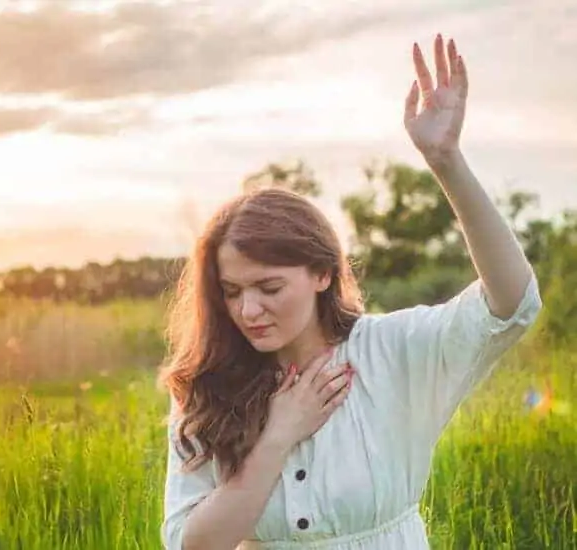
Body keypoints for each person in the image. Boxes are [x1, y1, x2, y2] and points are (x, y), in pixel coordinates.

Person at [156, 34, 544, 550]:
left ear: (322, 274)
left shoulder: (393, 350)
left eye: (269, 287)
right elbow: (193, 544)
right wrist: (277, 436)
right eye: (231, 291)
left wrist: (446, 161)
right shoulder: (209, 388)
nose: (248, 310)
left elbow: (512, 305)